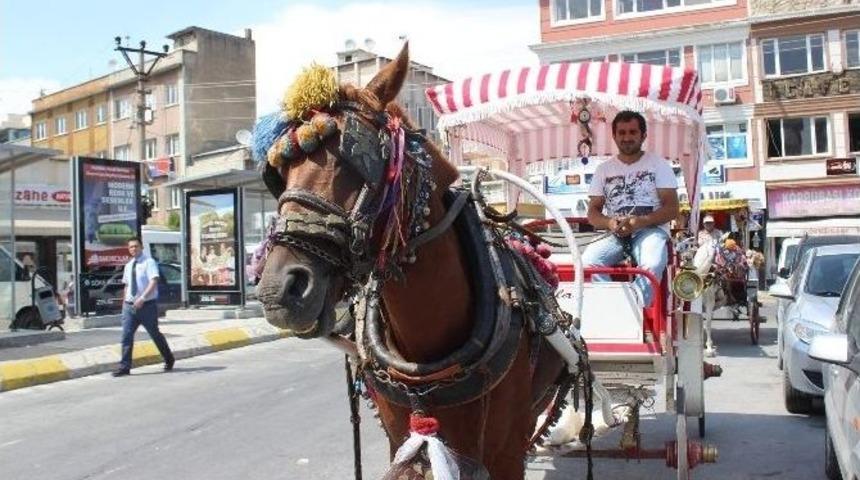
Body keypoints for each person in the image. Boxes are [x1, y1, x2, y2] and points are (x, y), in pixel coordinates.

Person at [581, 110, 680, 307]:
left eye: (632, 132)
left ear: (643, 136)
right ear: (615, 136)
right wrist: (609, 222)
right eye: (622, 133)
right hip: (616, 232)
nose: (627, 137)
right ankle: (614, 308)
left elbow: (672, 208)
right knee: (588, 261)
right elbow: (593, 212)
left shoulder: (658, 165)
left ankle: (634, 309)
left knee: (652, 264)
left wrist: (641, 221)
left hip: (651, 231)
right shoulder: (603, 170)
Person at [113, 237, 174, 377]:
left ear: (141, 247)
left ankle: (169, 358)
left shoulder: (149, 262)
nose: (133, 249)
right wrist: (124, 302)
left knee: (155, 334)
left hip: (147, 305)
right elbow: (127, 285)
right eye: (131, 247)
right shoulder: (129, 265)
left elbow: (153, 281)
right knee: (126, 336)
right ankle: (124, 367)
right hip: (130, 306)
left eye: (136, 246)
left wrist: (142, 298)